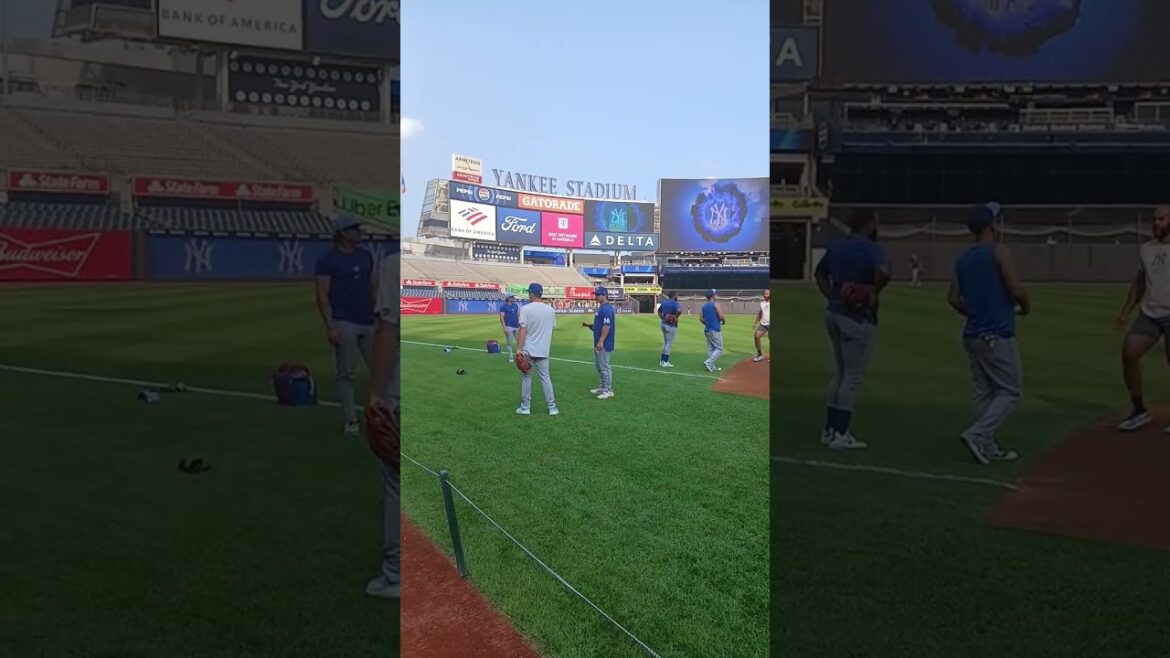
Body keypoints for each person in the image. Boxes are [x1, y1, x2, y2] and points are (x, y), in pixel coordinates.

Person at [947, 202, 1027, 464]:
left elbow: (953, 298)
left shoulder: (962, 259)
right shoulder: (999, 251)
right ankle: (977, 434)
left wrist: (973, 312)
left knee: (984, 393)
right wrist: (1025, 305)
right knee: (1010, 391)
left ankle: (988, 447)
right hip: (997, 334)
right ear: (992, 226)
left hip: (972, 334)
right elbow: (1015, 288)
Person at [814, 209, 890, 450]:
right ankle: (840, 434)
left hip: (834, 312)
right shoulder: (870, 248)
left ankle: (829, 430)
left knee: (840, 372)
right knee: (852, 377)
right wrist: (873, 290)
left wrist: (831, 295)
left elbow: (820, 273)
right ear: (868, 225)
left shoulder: (837, 245)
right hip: (857, 317)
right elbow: (884, 272)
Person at [315, 213, 376, 434]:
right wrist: (330, 326)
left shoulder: (364, 256)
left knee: (381, 371)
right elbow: (322, 294)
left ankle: (381, 415)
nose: (358, 232)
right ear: (342, 233)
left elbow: (370, 288)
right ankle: (351, 420)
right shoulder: (328, 260)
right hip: (344, 321)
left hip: (367, 320)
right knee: (346, 373)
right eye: (354, 229)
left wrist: (377, 313)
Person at [1115, 205, 1170, 432]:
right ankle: (1139, 410)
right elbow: (1139, 283)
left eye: (1162, 219)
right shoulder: (1146, 249)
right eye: (1154, 219)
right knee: (1129, 352)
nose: (1156, 223)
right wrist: (1125, 312)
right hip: (1150, 312)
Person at [365, 252, 400, 598]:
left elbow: (387, 332)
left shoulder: (392, 264)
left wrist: (375, 392)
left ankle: (396, 575)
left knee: (397, 482)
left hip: (402, 392)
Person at [516, 282, 559, 416]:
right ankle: (552, 408)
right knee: (545, 378)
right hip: (543, 350)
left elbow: (522, 330)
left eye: (529, 293)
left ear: (532, 294)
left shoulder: (525, 309)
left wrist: (518, 348)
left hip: (528, 349)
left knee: (526, 377)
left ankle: (525, 407)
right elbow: (551, 330)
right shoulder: (550, 310)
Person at [582, 287, 616, 398]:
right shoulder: (601, 308)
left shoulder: (607, 309)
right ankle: (602, 387)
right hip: (598, 342)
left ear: (604, 295)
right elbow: (599, 326)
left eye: (598, 294)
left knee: (604, 366)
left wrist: (601, 341)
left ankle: (608, 390)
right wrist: (589, 325)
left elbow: (607, 326)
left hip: (604, 343)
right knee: (599, 366)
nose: (595, 296)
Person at [700, 289, 726, 372]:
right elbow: (721, 316)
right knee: (719, 348)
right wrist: (724, 321)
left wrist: (708, 323)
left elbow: (701, 319)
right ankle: (708, 362)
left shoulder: (704, 306)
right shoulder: (715, 304)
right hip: (715, 330)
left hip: (707, 330)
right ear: (713, 296)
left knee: (711, 349)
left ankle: (711, 366)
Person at [657, 291, 682, 368]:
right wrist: (676, 317)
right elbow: (679, 310)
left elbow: (659, 311)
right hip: (671, 325)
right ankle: (665, 361)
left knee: (665, 342)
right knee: (669, 343)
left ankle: (662, 361)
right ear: (674, 296)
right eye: (676, 295)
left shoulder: (664, 302)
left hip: (663, 323)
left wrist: (662, 318)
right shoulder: (675, 303)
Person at [499, 293, 521, 362]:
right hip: (509, 326)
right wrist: (504, 327)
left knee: (520, 342)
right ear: (508, 298)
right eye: (512, 297)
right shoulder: (503, 306)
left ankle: (519, 355)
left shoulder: (515, 305)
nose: (513, 298)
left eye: (513, 297)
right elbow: (502, 318)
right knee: (509, 343)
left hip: (516, 326)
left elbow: (517, 315)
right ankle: (511, 357)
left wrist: (520, 324)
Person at [753, 289, 771, 362]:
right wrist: (755, 323)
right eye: (764, 294)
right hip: (763, 324)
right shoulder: (762, 303)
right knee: (756, 336)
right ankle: (760, 354)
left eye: (767, 294)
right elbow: (760, 314)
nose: (765, 295)